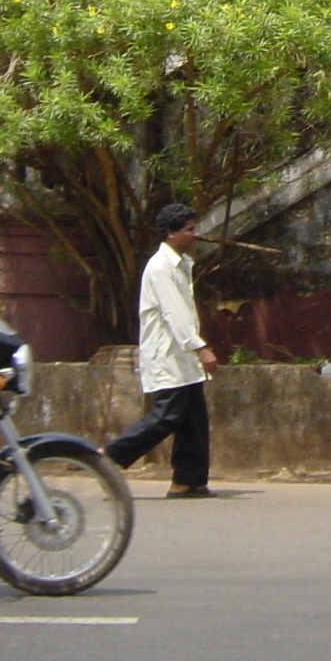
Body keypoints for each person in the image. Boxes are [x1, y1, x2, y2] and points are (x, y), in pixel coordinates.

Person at [103, 204, 218, 498]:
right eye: (189, 229)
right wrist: (200, 347)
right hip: (168, 354)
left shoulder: (179, 264)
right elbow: (175, 313)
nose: (195, 234)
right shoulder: (161, 267)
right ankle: (109, 455)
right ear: (171, 233)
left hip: (181, 356)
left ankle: (188, 480)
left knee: (193, 419)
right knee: (166, 416)